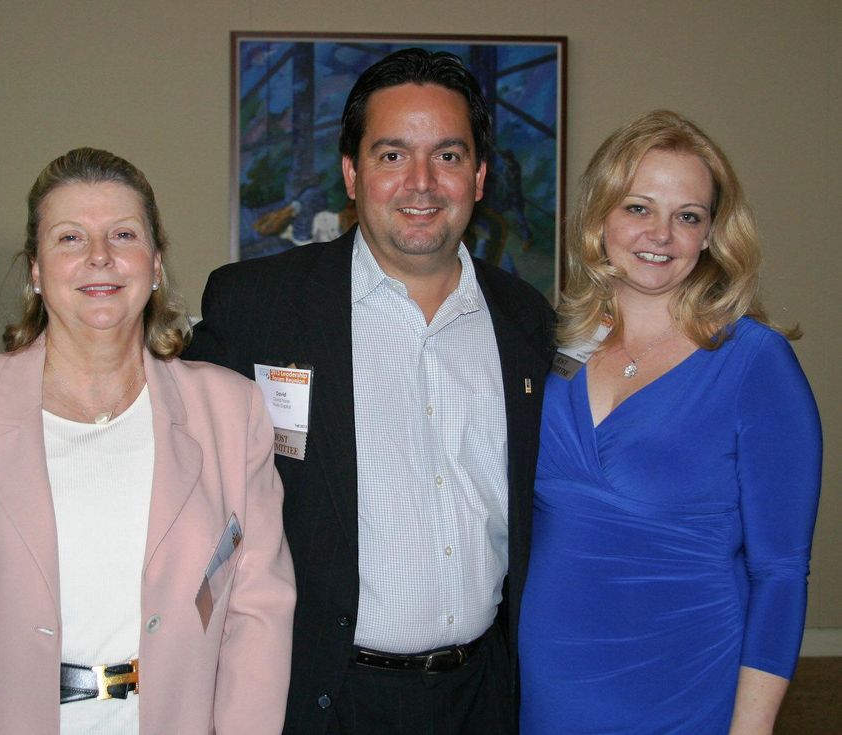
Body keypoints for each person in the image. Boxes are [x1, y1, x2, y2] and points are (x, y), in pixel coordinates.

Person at [185, 48, 555, 734]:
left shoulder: (526, 320)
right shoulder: (258, 308)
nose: (421, 182)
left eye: (447, 156)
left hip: (483, 696)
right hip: (320, 696)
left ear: (477, 176)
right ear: (352, 174)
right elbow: (185, 495)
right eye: (391, 156)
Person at [0, 148, 296, 734]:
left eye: (123, 234)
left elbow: (258, 613)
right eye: (70, 238)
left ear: (156, 263)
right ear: (37, 270)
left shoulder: (231, 411)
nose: (100, 257)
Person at [518, 110, 822, 733]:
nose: (662, 233)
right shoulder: (551, 346)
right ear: (600, 217)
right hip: (551, 680)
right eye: (638, 207)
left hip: (682, 681)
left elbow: (781, 574)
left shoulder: (755, 363)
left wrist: (752, 727)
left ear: (712, 234)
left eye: (688, 215)